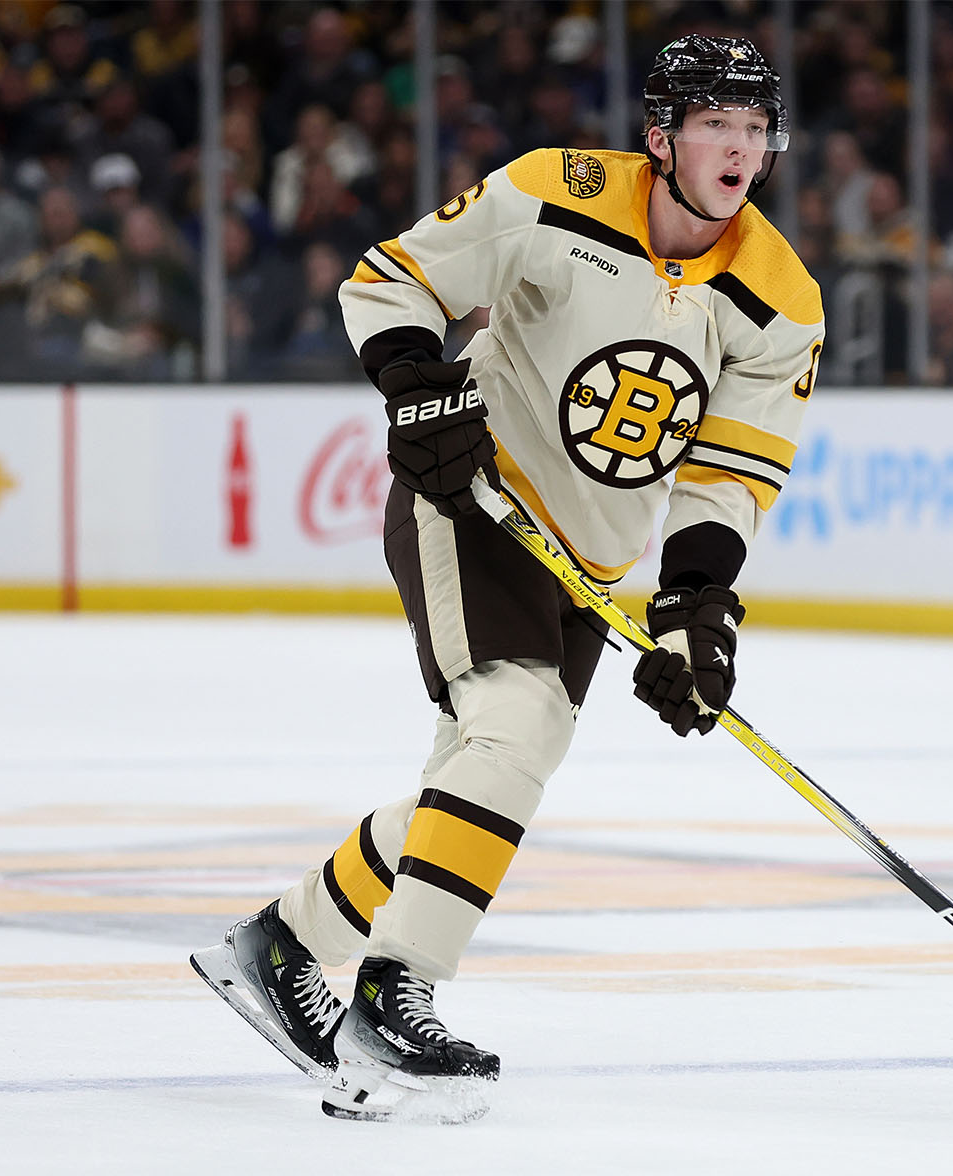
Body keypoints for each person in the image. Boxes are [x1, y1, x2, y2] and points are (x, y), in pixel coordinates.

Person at [190, 34, 824, 1121]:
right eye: (716, 123)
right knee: (514, 729)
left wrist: (694, 620)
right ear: (661, 136)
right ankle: (393, 1004)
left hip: (585, 567)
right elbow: (390, 280)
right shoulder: (554, 190)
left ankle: (280, 941)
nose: (738, 147)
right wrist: (417, 389)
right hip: (473, 504)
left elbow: (727, 475)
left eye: (755, 128)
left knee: (480, 774)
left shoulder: (779, 299)